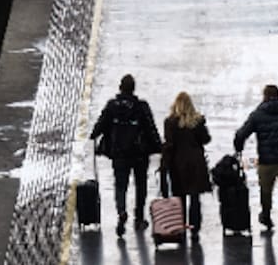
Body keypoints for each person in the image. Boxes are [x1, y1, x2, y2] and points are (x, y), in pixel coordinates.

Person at [90, 74, 163, 236]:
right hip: (139, 154)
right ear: (133, 88)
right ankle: (139, 217)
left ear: (120, 87)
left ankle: (121, 212)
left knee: (121, 185)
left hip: (119, 154)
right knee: (141, 185)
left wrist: (94, 135)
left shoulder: (112, 106)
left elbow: (100, 126)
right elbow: (151, 129)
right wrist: (159, 147)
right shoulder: (141, 106)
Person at [233, 84, 278, 241]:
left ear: (264, 96)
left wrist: (238, 149)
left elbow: (242, 134)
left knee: (266, 191)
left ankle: (266, 215)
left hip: (267, 161)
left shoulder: (258, 115)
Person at [161, 91, 211, 238]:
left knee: (179, 197)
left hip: (178, 163)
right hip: (196, 163)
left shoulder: (170, 122)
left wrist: (165, 163)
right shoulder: (197, 121)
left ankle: (181, 227)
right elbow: (206, 139)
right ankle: (195, 229)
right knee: (195, 197)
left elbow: (169, 143)